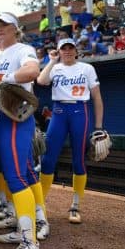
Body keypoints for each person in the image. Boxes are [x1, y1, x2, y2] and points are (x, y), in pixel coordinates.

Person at [0, 12, 44, 249]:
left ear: (15, 28)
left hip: (13, 117)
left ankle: (30, 240)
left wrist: (8, 78)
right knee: (13, 174)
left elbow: (32, 71)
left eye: (4, 25)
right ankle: (23, 227)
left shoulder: (22, 49)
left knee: (17, 176)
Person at [37, 38, 105, 225]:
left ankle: (75, 206)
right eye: (63, 49)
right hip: (58, 111)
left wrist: (99, 127)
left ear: (76, 50)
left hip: (79, 111)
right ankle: (39, 204)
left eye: (70, 48)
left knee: (78, 160)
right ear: (59, 51)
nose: (67, 51)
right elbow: (41, 80)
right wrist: (51, 60)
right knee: (48, 158)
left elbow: (97, 98)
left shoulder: (87, 68)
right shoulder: (55, 67)